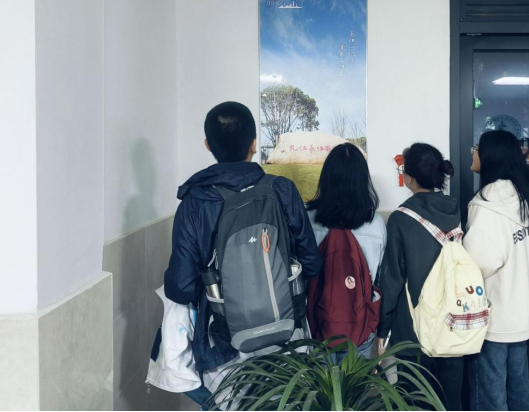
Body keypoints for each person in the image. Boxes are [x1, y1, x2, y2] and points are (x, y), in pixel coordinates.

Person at [163, 101, 322, 408]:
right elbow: (311, 263)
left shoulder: (195, 202)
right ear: (253, 143)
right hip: (287, 338)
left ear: (208, 145)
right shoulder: (282, 190)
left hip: (223, 348)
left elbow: (181, 288)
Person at [376, 143, 464, 411]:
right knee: (451, 398)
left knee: (415, 398)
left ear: (409, 178)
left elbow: (392, 279)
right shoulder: (456, 211)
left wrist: (383, 329)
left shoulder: (401, 218)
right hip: (454, 321)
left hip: (413, 329)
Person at [464, 131, 529, 412]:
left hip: (495, 318)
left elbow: (479, 262)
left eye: (476, 148)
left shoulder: (488, 206)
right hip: (522, 313)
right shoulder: (522, 198)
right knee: (520, 384)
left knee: (491, 392)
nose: (473, 152)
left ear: (490, 156)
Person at [307, 143, 387, 363]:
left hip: (317, 325)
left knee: (319, 385)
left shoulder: (308, 219)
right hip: (360, 327)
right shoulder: (376, 224)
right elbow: (379, 277)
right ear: (362, 181)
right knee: (356, 385)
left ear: (326, 179)